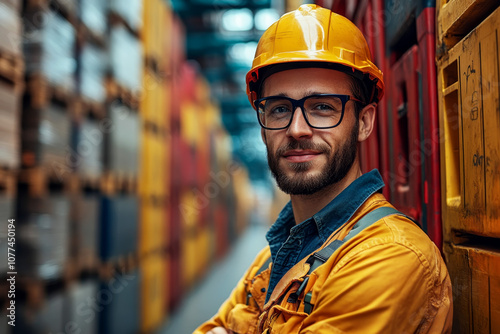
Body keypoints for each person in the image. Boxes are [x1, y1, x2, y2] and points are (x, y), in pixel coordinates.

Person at [194, 4, 453, 334]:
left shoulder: (390, 257)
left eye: (321, 107)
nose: (297, 129)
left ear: (364, 122)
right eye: (279, 109)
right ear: (263, 129)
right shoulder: (273, 257)